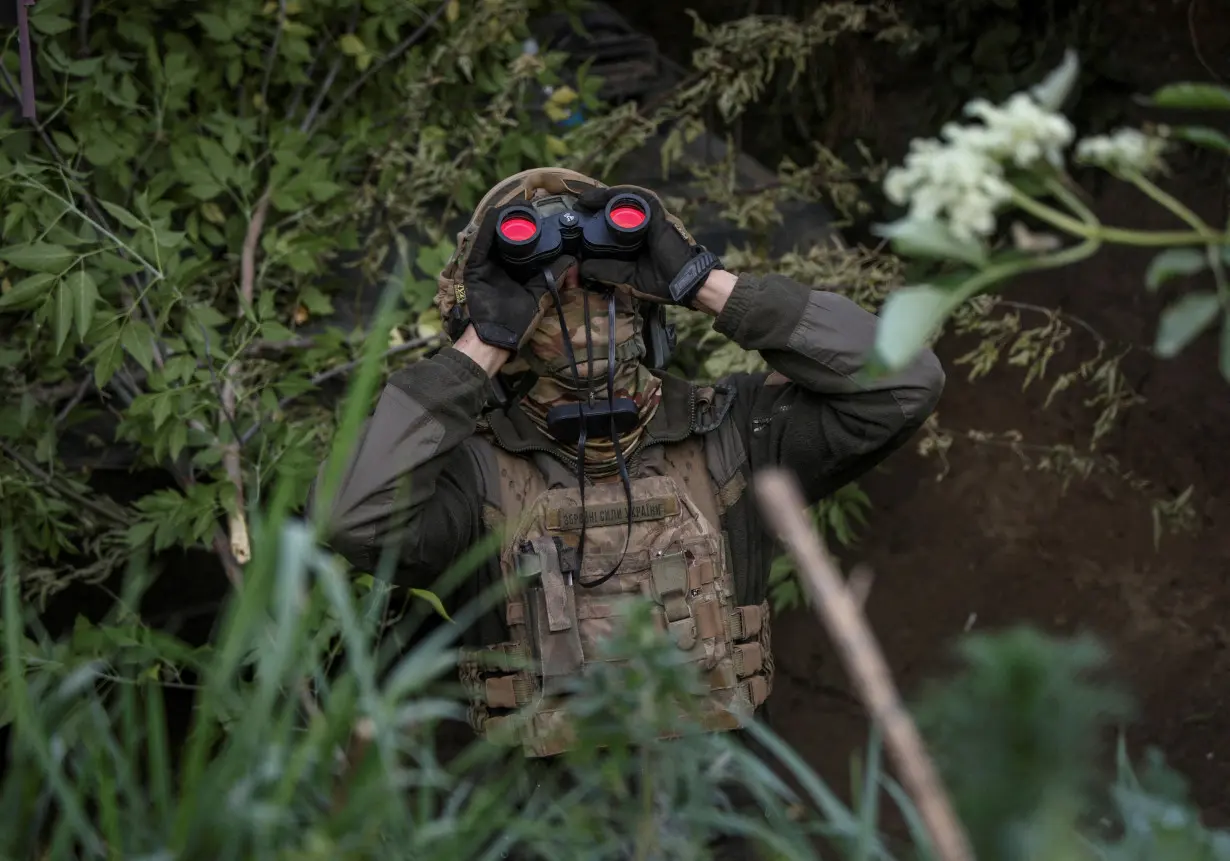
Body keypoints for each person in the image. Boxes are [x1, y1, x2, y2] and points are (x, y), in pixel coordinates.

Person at [310, 167, 944, 761]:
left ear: (642, 295)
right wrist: (481, 340)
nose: (572, 290)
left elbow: (905, 380)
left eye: (596, 274)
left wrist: (704, 282)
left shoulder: (732, 432)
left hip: (718, 823)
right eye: (547, 284)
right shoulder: (473, 474)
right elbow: (351, 516)